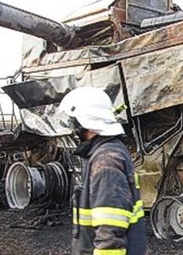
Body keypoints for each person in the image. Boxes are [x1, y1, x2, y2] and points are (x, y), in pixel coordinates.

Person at [59, 87, 147, 255]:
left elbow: (109, 233)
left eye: (75, 123)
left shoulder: (106, 161)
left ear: (87, 122)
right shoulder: (106, 153)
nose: (74, 130)